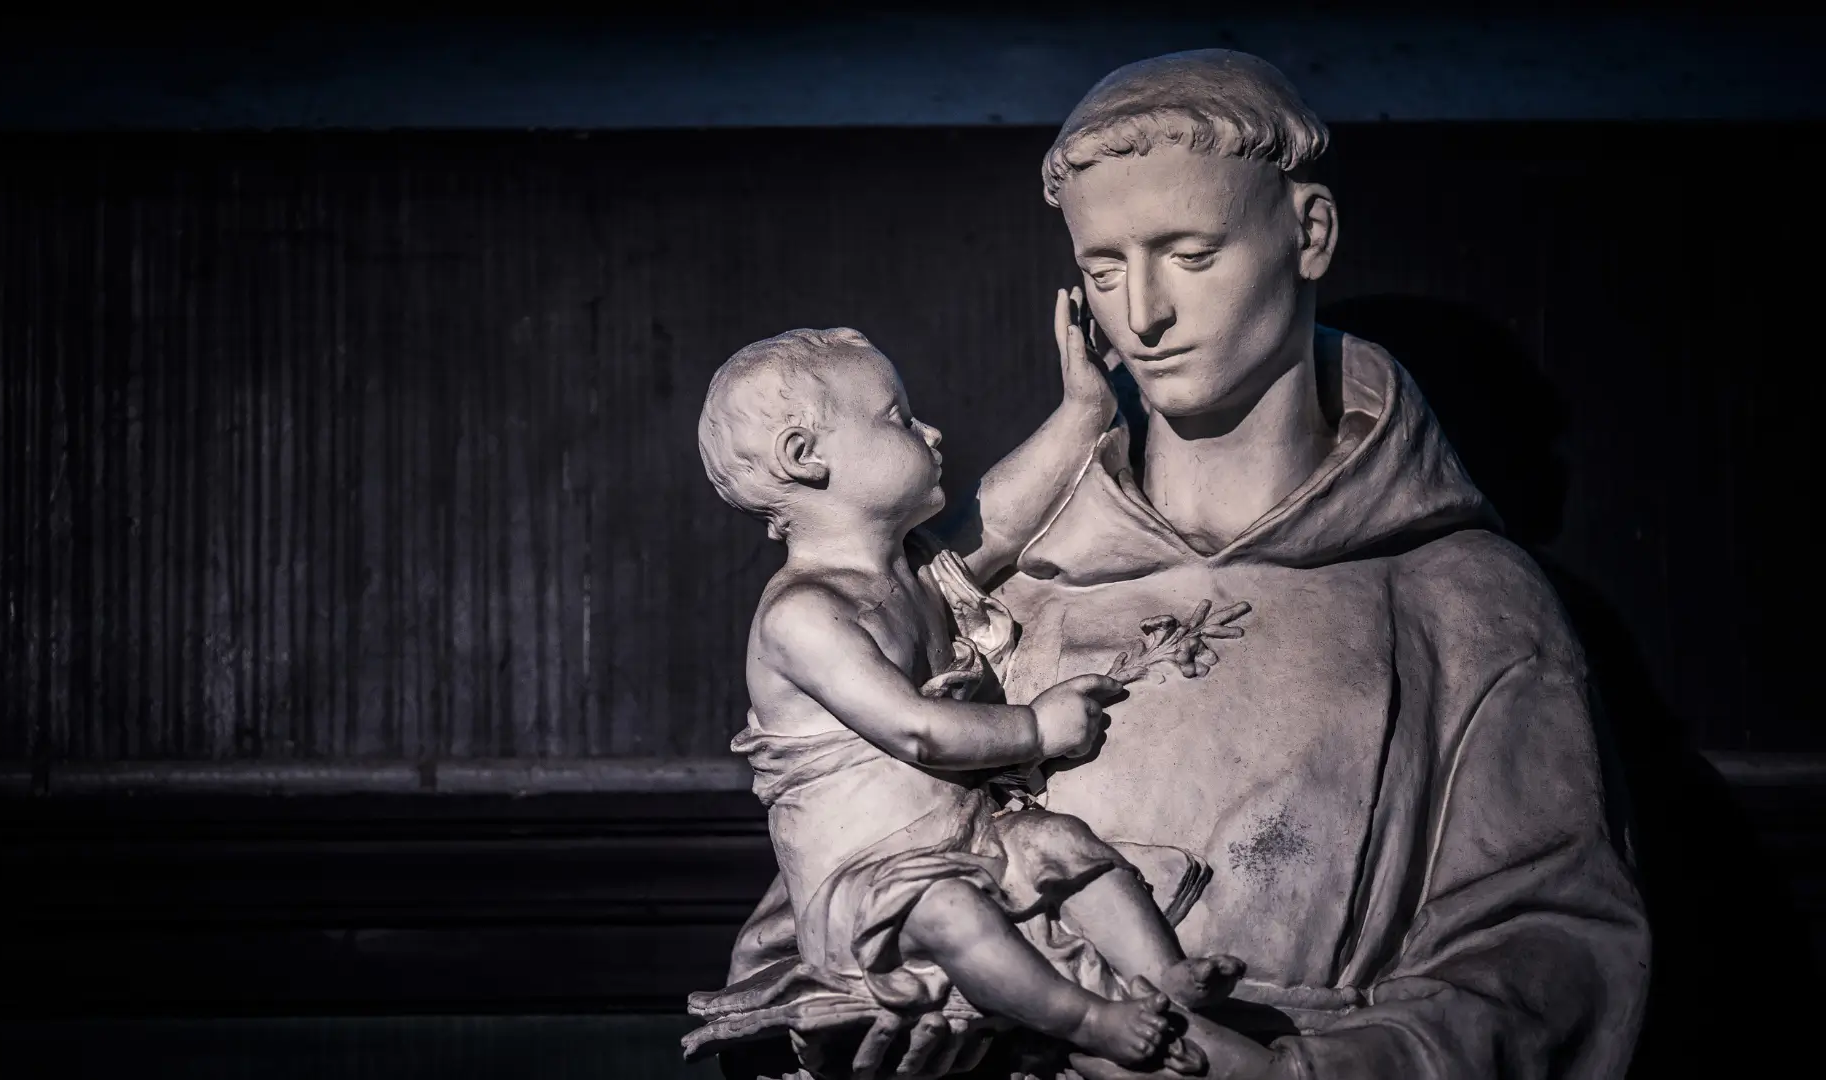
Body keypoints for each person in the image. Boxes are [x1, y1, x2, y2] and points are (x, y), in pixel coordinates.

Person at [979, 49, 1650, 1078]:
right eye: (1105, 270)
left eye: (1190, 256)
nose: (1144, 316)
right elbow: (845, 879)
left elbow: (1554, 953)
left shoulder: (1464, 605)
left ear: (1311, 233)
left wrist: (1300, 1074)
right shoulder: (1020, 601)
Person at [688, 300, 1242, 1076]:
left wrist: (1086, 407)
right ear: (805, 455)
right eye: (899, 420)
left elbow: (1005, 518)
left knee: (1067, 846)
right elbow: (916, 730)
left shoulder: (913, 574)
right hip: (872, 888)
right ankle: (1096, 1021)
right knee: (957, 915)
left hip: (964, 842)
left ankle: (1165, 976)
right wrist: (1039, 730)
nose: (932, 432)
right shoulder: (802, 617)